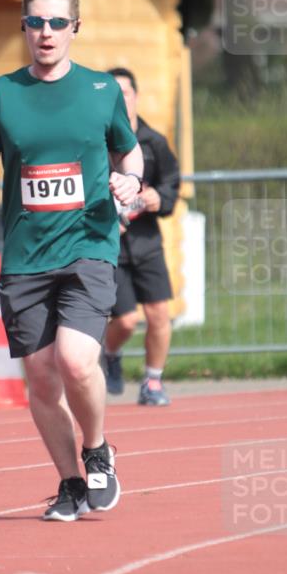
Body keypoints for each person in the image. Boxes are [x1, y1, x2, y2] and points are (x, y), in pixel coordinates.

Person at [0, 0, 143, 522]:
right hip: (25, 256)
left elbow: (129, 153)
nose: (46, 32)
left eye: (57, 22)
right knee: (40, 375)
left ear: (75, 28)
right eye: (36, 22)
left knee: (76, 360)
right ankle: (69, 483)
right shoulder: (1, 94)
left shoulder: (101, 90)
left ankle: (98, 449)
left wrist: (131, 181)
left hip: (89, 244)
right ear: (24, 27)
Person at [103, 68, 180, 406]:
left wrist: (159, 198)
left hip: (147, 243)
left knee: (159, 314)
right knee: (125, 320)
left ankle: (152, 382)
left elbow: (171, 183)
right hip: (111, 248)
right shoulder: (96, 142)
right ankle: (109, 353)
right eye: (113, 94)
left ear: (135, 96)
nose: (121, 100)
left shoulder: (153, 142)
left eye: (125, 92)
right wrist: (107, 218)